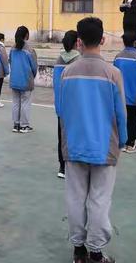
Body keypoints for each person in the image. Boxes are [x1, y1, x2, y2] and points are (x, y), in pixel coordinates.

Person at [58, 17, 127, 263]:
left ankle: (78, 250)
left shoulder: (67, 72)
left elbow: (62, 110)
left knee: (76, 197)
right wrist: (123, 141)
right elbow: (121, 114)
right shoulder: (113, 73)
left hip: (75, 144)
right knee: (99, 199)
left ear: (78, 41)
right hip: (104, 146)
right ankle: (96, 252)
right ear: (103, 39)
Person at [113, 31, 136, 153]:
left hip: (120, 96)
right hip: (135, 97)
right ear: (135, 43)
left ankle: (121, 143)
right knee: (134, 120)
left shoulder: (118, 57)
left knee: (121, 118)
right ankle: (130, 144)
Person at [53, 30, 80, 179]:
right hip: (76, 107)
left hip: (61, 106)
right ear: (77, 42)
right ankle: (73, 167)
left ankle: (62, 166)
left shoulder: (58, 60)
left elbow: (56, 85)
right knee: (75, 136)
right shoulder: (79, 61)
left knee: (62, 136)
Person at [9, 26, 37, 133]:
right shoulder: (30, 50)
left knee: (16, 102)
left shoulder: (12, 48)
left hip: (14, 80)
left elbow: (10, 61)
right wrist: (32, 76)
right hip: (26, 80)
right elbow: (34, 66)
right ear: (27, 35)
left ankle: (16, 124)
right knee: (25, 102)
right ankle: (24, 125)